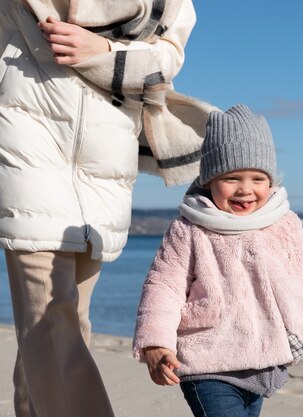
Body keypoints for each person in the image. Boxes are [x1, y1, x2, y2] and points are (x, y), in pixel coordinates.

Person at [0, 1, 214, 416]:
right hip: (28, 144)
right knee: (50, 320)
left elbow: (169, 56)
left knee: (67, 325)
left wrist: (105, 52)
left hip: (105, 160)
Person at [133, 104, 303, 417]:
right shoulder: (190, 228)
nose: (245, 190)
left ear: (271, 181)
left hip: (260, 362)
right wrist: (156, 344)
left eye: (257, 179)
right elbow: (163, 289)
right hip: (206, 361)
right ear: (210, 180)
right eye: (232, 178)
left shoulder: (283, 222)